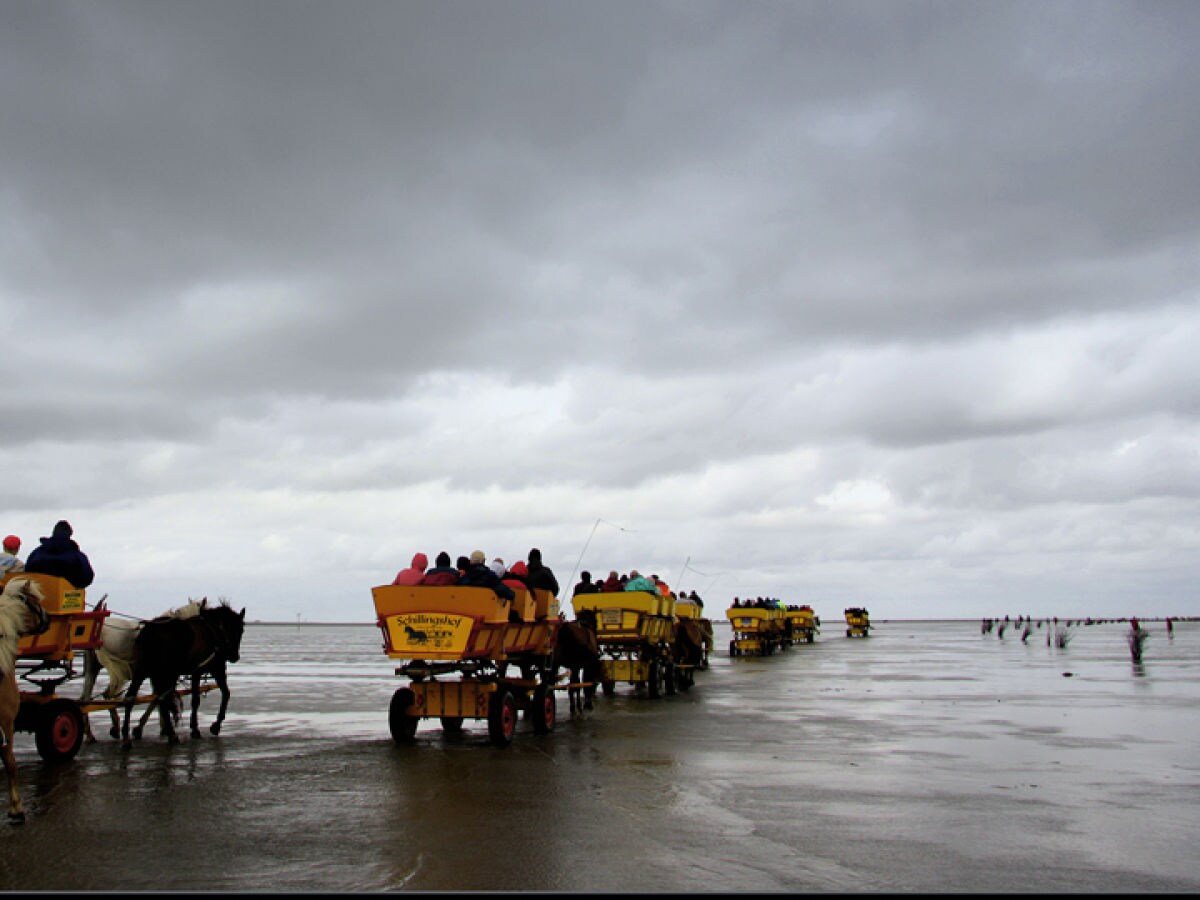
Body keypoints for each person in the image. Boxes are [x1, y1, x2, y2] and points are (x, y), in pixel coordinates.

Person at [23, 520, 94, 589]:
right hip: (69, 596)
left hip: (40, 595)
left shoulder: (37, 553)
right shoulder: (77, 555)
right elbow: (87, 576)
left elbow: (27, 572)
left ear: (54, 532)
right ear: (70, 534)